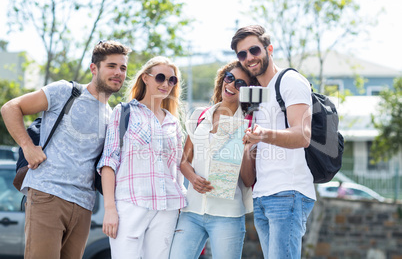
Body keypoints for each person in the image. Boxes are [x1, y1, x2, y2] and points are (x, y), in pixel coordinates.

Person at [0, 40, 131, 258]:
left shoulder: (112, 116)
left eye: (123, 67)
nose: (118, 72)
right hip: (48, 194)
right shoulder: (66, 91)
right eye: (112, 66)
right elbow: (11, 107)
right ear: (94, 68)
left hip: (84, 206)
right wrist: (28, 147)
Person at [231, 25, 316, 258]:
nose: (249, 57)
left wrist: (263, 134)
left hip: (288, 192)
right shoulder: (257, 92)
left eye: (254, 50)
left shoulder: (290, 80)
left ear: (269, 49)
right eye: (242, 54)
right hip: (262, 196)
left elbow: (303, 135)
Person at [97, 56, 186, 258]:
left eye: (172, 80)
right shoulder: (124, 112)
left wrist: (181, 201)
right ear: (146, 78)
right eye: (161, 78)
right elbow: (109, 162)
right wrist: (110, 209)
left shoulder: (173, 123)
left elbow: (179, 168)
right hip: (131, 205)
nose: (166, 84)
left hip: (167, 208)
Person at [169, 60, 258, 259]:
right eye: (230, 78)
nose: (232, 85)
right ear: (222, 79)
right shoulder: (199, 115)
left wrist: (246, 148)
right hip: (191, 211)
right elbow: (184, 160)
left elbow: (247, 180)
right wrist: (192, 178)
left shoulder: (249, 122)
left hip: (228, 215)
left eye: (241, 84)